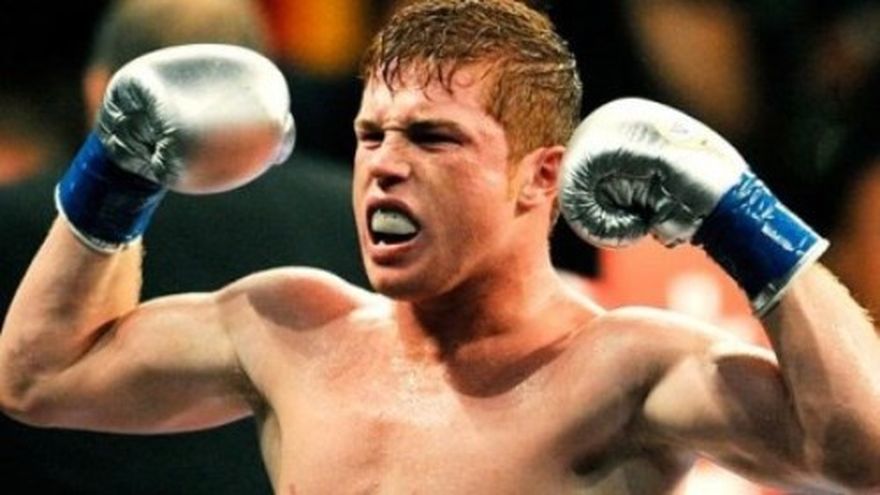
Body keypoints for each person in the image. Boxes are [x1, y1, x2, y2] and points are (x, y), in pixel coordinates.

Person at [2, 1, 880, 494]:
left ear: (540, 176)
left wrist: (748, 220)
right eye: (369, 134)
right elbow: (38, 376)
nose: (384, 165)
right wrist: (114, 172)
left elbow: (862, 452)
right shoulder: (291, 329)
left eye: (432, 137)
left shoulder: (626, 370)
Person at [0, 0, 363, 493]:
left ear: (99, 88)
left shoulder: (16, 217)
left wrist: (115, 176)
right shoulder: (359, 213)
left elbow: (35, 382)